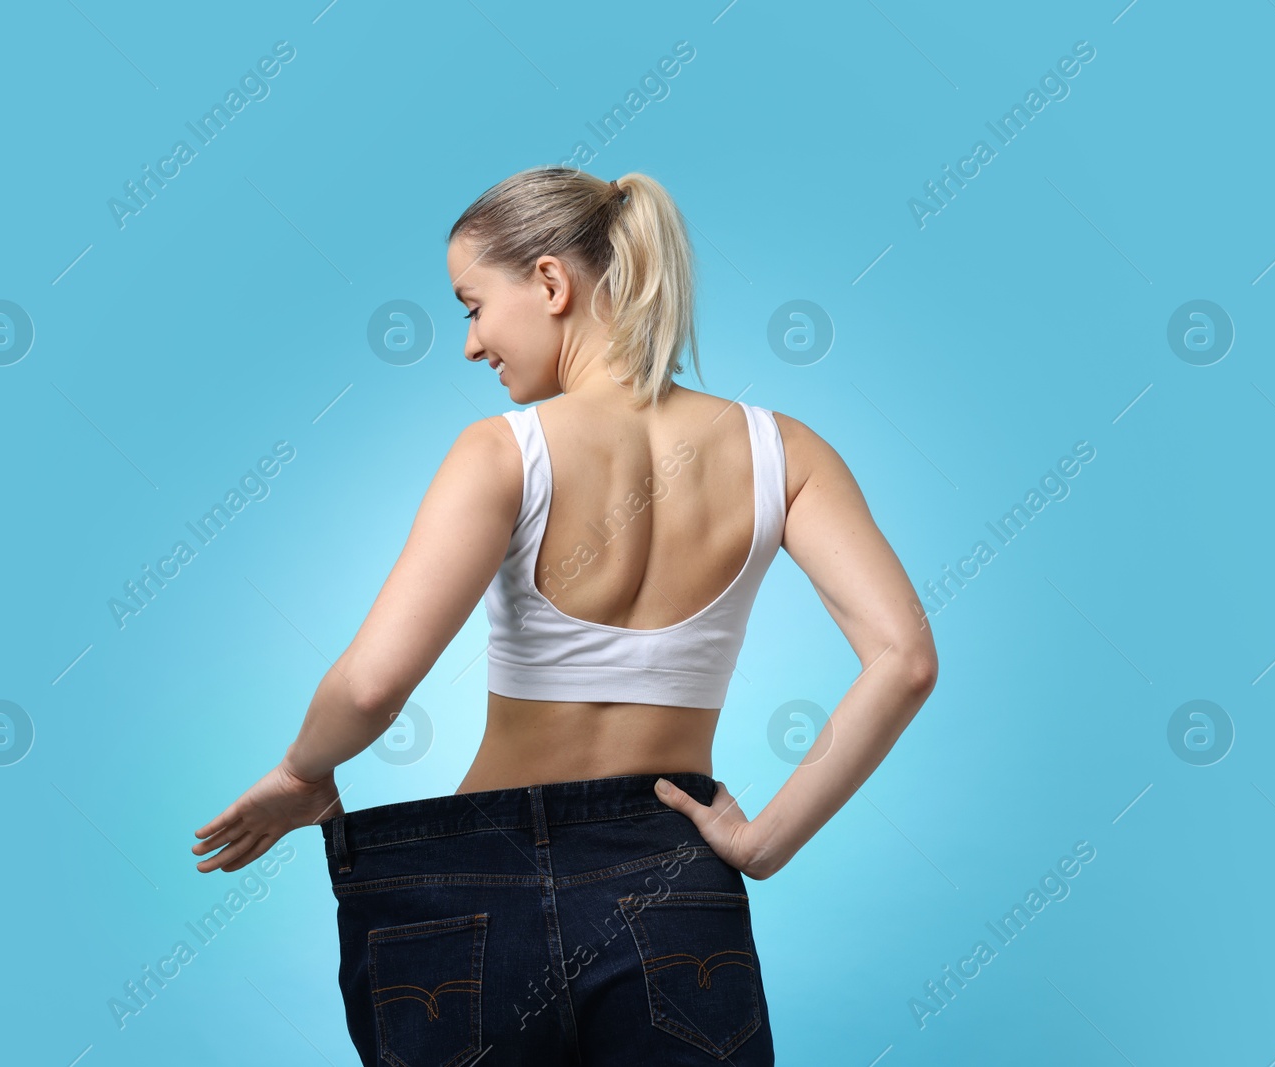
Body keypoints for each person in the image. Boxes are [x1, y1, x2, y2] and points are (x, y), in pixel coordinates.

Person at [192, 166, 938, 1065]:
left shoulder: (504, 453)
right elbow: (905, 658)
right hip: (672, 881)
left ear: (549, 283)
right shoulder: (785, 452)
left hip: (477, 889)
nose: (471, 344)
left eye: (472, 305)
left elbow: (374, 683)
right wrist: (764, 840)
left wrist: (301, 772)